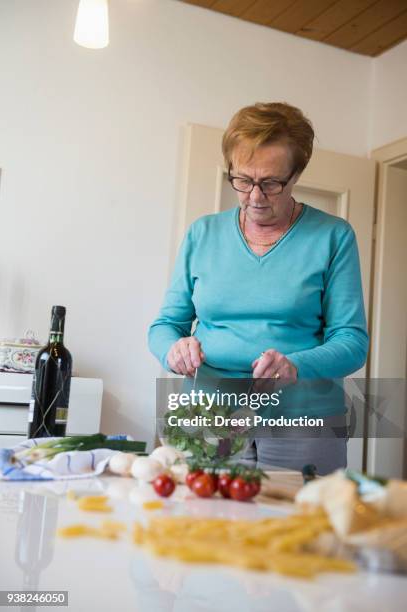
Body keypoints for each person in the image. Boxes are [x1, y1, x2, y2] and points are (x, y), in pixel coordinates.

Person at [148, 102, 368, 474]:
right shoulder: (203, 234)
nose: (254, 197)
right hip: (209, 415)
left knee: (299, 530)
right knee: (203, 527)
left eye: (270, 183)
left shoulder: (333, 236)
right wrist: (173, 349)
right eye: (243, 180)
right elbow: (165, 325)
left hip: (303, 419)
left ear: (296, 174)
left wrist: (295, 365)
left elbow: (352, 342)